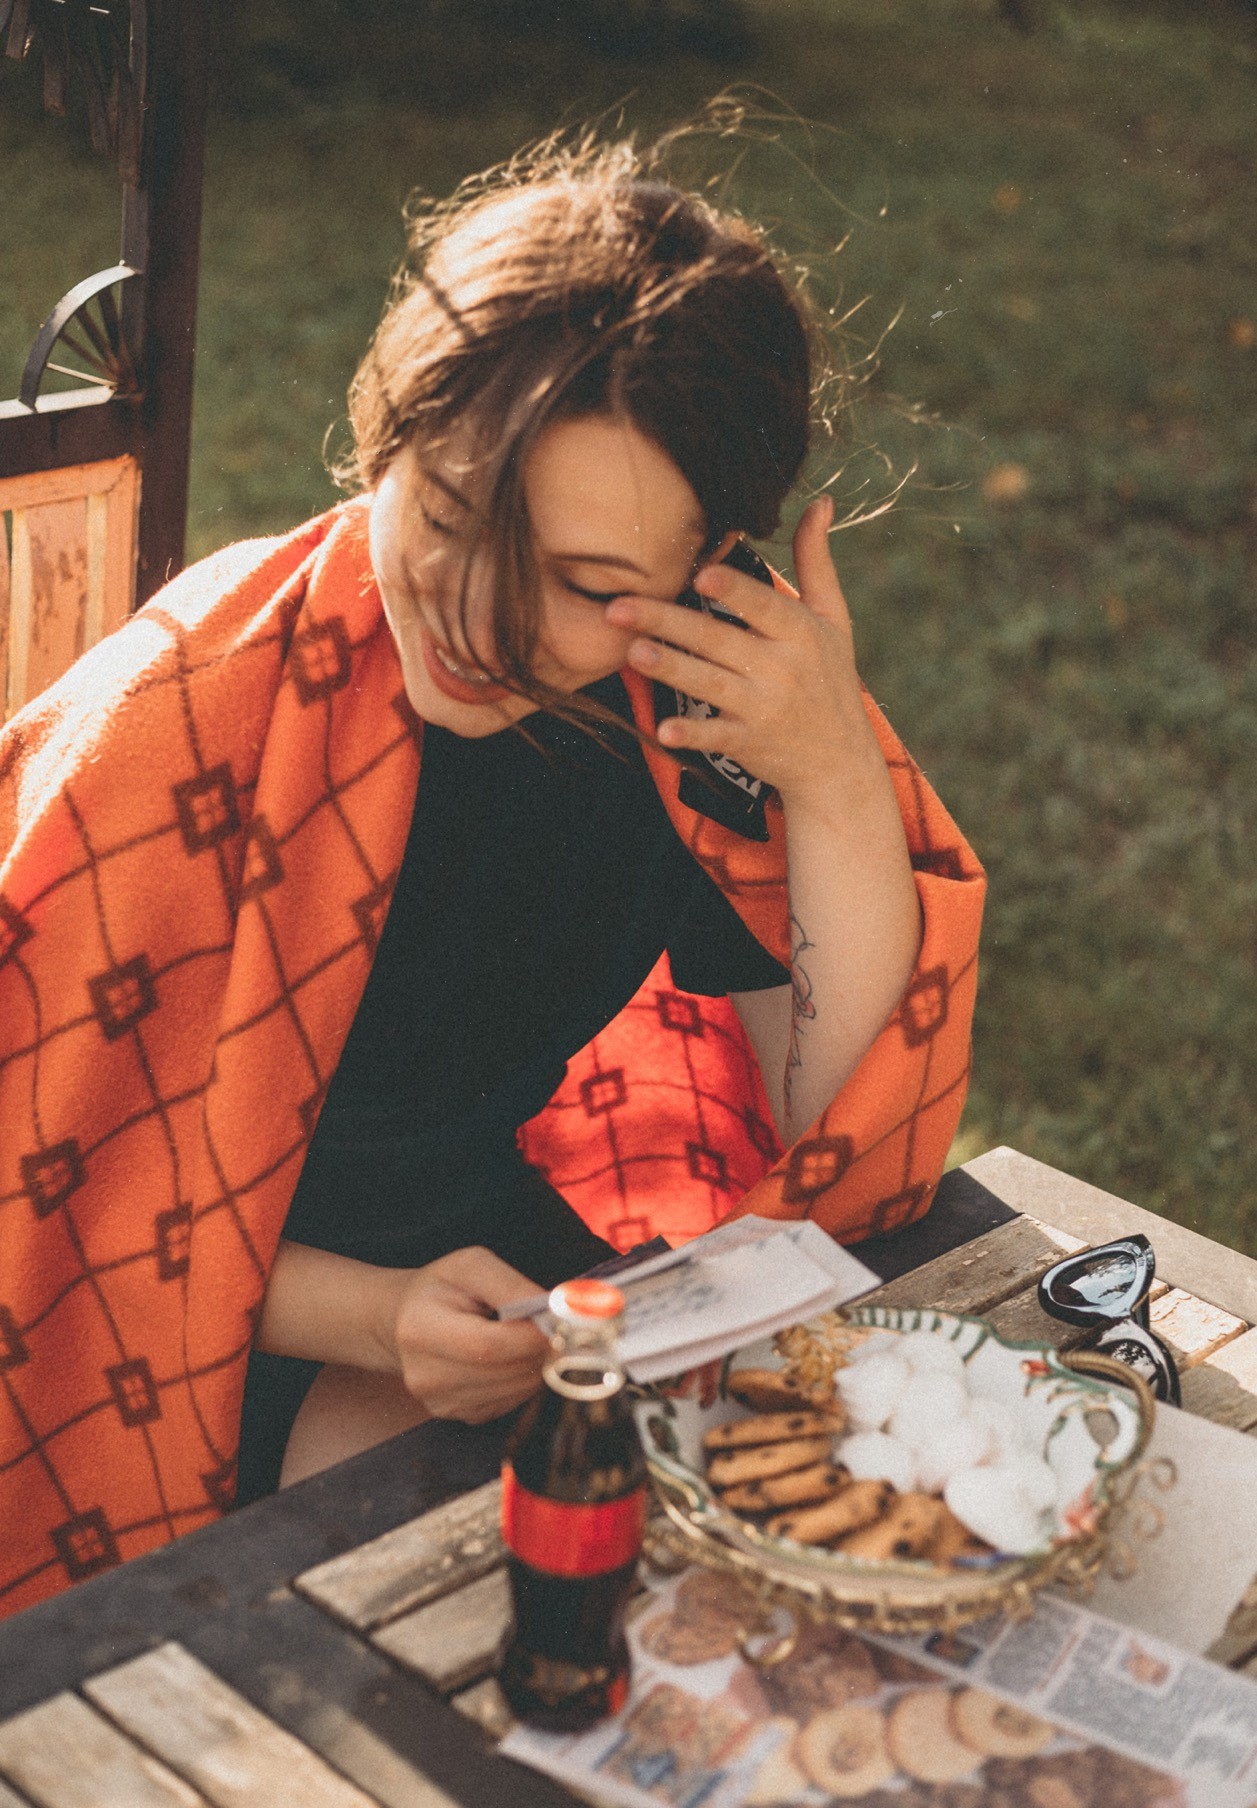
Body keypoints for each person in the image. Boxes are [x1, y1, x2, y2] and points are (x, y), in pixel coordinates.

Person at [0, 135, 984, 1616]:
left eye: (585, 585)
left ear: (708, 566)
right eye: (448, 517)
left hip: (482, 1275)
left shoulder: (684, 715)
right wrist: (375, 1316)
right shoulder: (188, 714)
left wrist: (833, 778)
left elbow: (839, 1131)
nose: (478, 615)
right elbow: (48, 1197)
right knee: (460, 1579)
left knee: (757, 1545)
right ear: (381, 440)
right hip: (166, 1311)